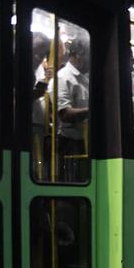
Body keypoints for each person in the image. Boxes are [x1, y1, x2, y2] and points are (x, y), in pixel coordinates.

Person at [52, 37, 90, 181]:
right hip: (69, 142)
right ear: (77, 55)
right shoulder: (62, 78)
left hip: (85, 140)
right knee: (72, 182)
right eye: (88, 54)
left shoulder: (84, 78)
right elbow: (65, 114)